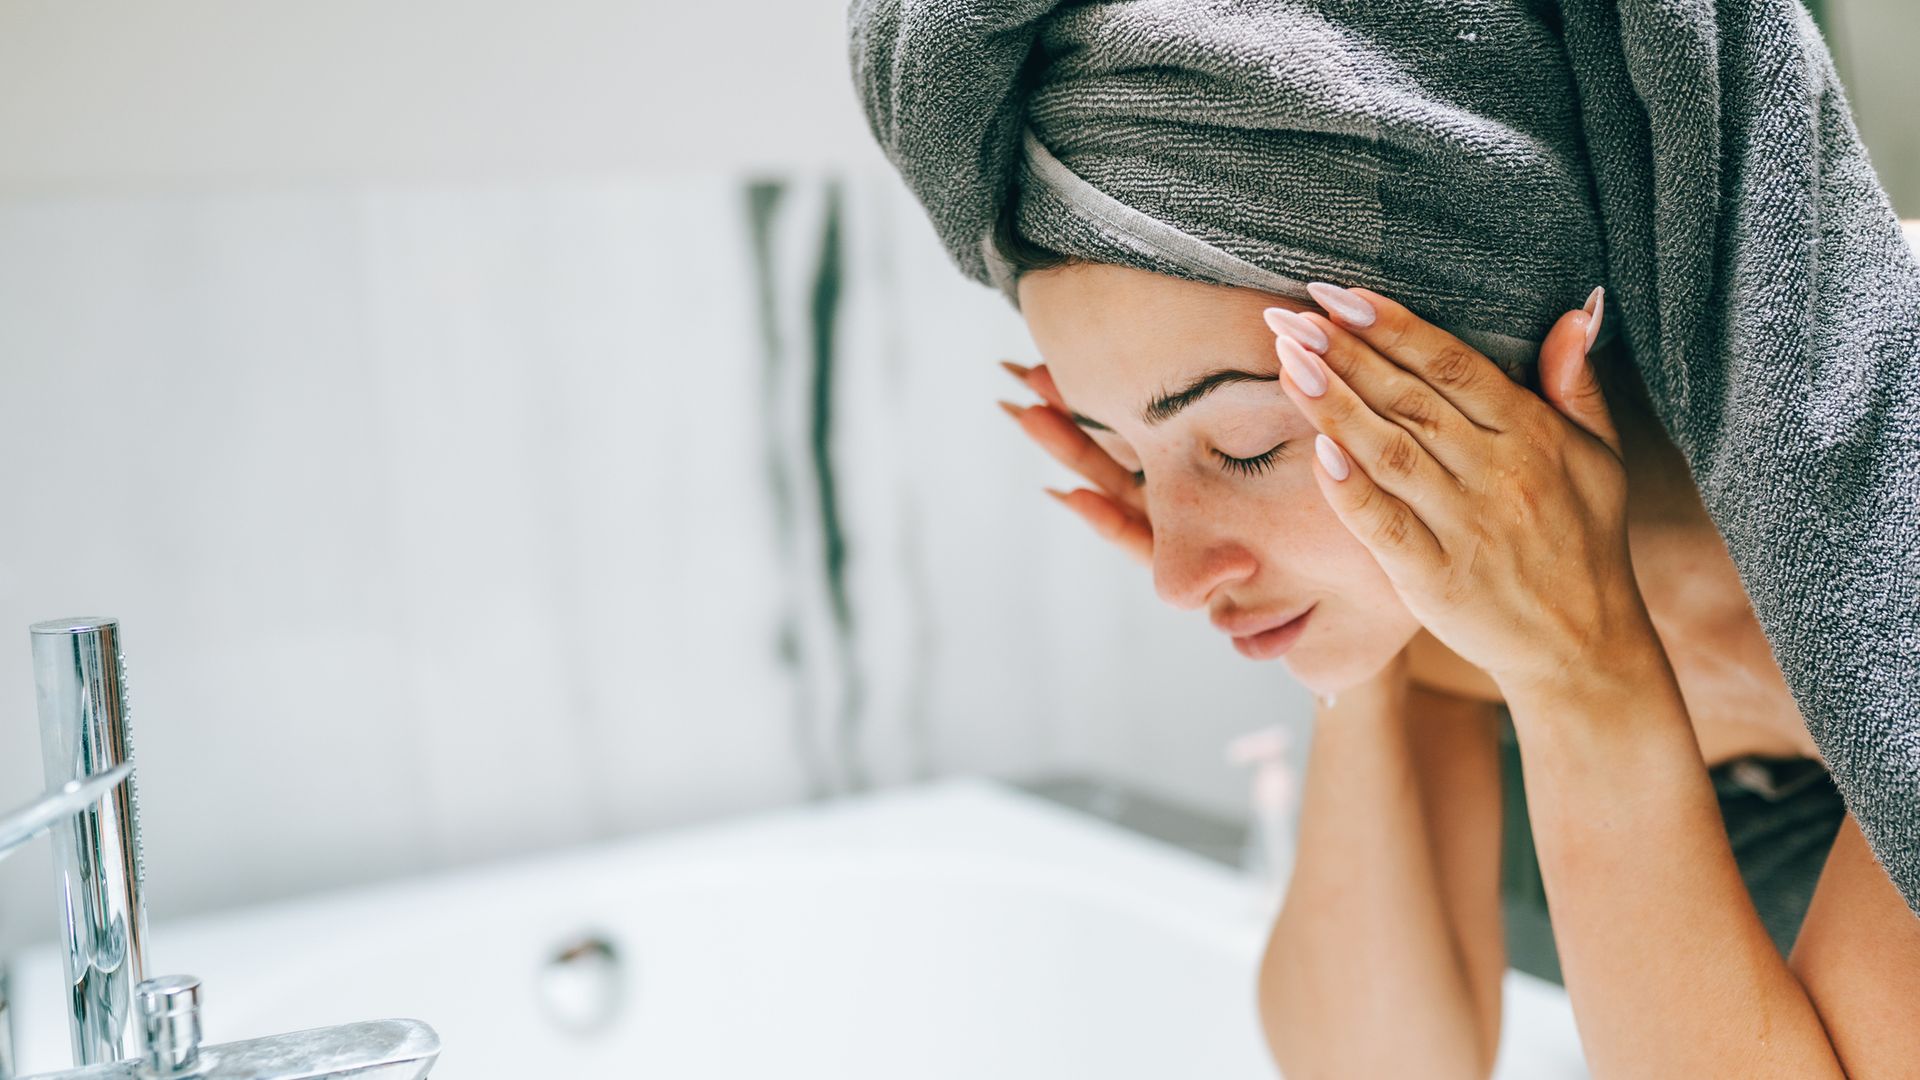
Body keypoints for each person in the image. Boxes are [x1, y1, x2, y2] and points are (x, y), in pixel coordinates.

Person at [991, 206, 1920, 1075]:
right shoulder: (1454, 645)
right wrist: (1346, 638)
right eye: (1127, 460)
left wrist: (1582, 671)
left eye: (1246, 445)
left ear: (1496, 340)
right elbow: (1385, 1066)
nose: (1173, 576)